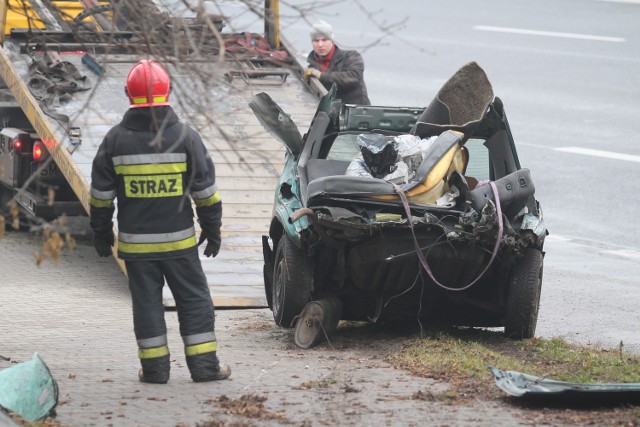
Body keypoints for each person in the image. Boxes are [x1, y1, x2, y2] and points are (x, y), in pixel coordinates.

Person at [89, 59, 231, 384]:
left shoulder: (114, 141)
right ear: (169, 92)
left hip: (137, 249)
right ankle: (205, 368)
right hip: (180, 245)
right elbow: (206, 193)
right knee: (194, 302)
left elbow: (100, 196)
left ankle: (154, 371)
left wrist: (100, 232)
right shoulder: (186, 137)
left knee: (147, 306)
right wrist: (212, 229)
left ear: (128, 94)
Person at [305, 20, 371, 105]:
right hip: (329, 114)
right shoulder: (311, 67)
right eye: (316, 40)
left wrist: (321, 76)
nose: (320, 45)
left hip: (356, 113)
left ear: (332, 40)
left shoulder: (351, 56)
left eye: (324, 40)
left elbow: (353, 77)